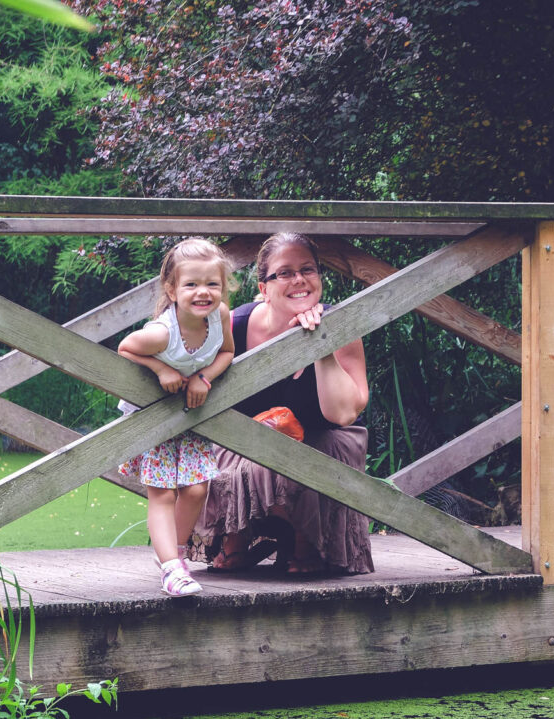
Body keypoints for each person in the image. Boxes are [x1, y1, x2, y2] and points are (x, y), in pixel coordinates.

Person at [187, 231, 374, 577]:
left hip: (322, 442)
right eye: (285, 273)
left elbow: (344, 414)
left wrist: (321, 346)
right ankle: (236, 537)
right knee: (223, 445)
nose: (299, 280)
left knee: (329, 446)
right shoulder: (234, 326)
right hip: (245, 443)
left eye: (308, 270)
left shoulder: (342, 326)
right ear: (263, 288)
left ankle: (308, 540)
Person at [117, 237, 235, 597]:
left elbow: (227, 352)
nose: (204, 292)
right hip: (153, 416)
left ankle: (176, 557)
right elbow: (124, 348)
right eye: (192, 284)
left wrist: (205, 377)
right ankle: (171, 568)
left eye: (212, 284)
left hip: (190, 415)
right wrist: (160, 370)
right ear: (171, 289)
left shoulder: (222, 316)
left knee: (198, 488)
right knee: (163, 495)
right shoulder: (161, 333)